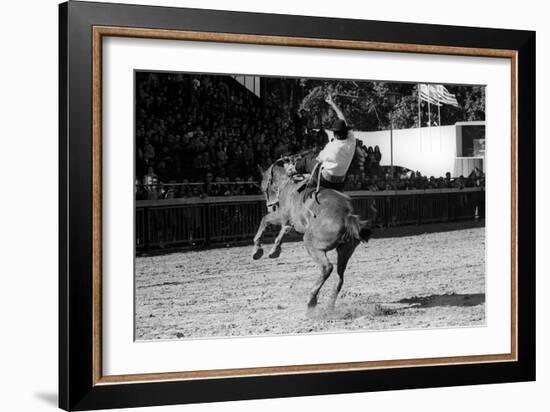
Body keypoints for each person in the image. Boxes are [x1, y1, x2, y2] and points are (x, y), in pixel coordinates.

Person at [315, 94, 358, 191]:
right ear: (346, 131)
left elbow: (319, 159)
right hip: (341, 182)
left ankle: (293, 168)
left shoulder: (331, 146)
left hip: (326, 180)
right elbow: (343, 120)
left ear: (334, 134)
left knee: (307, 161)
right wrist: (333, 104)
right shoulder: (352, 141)